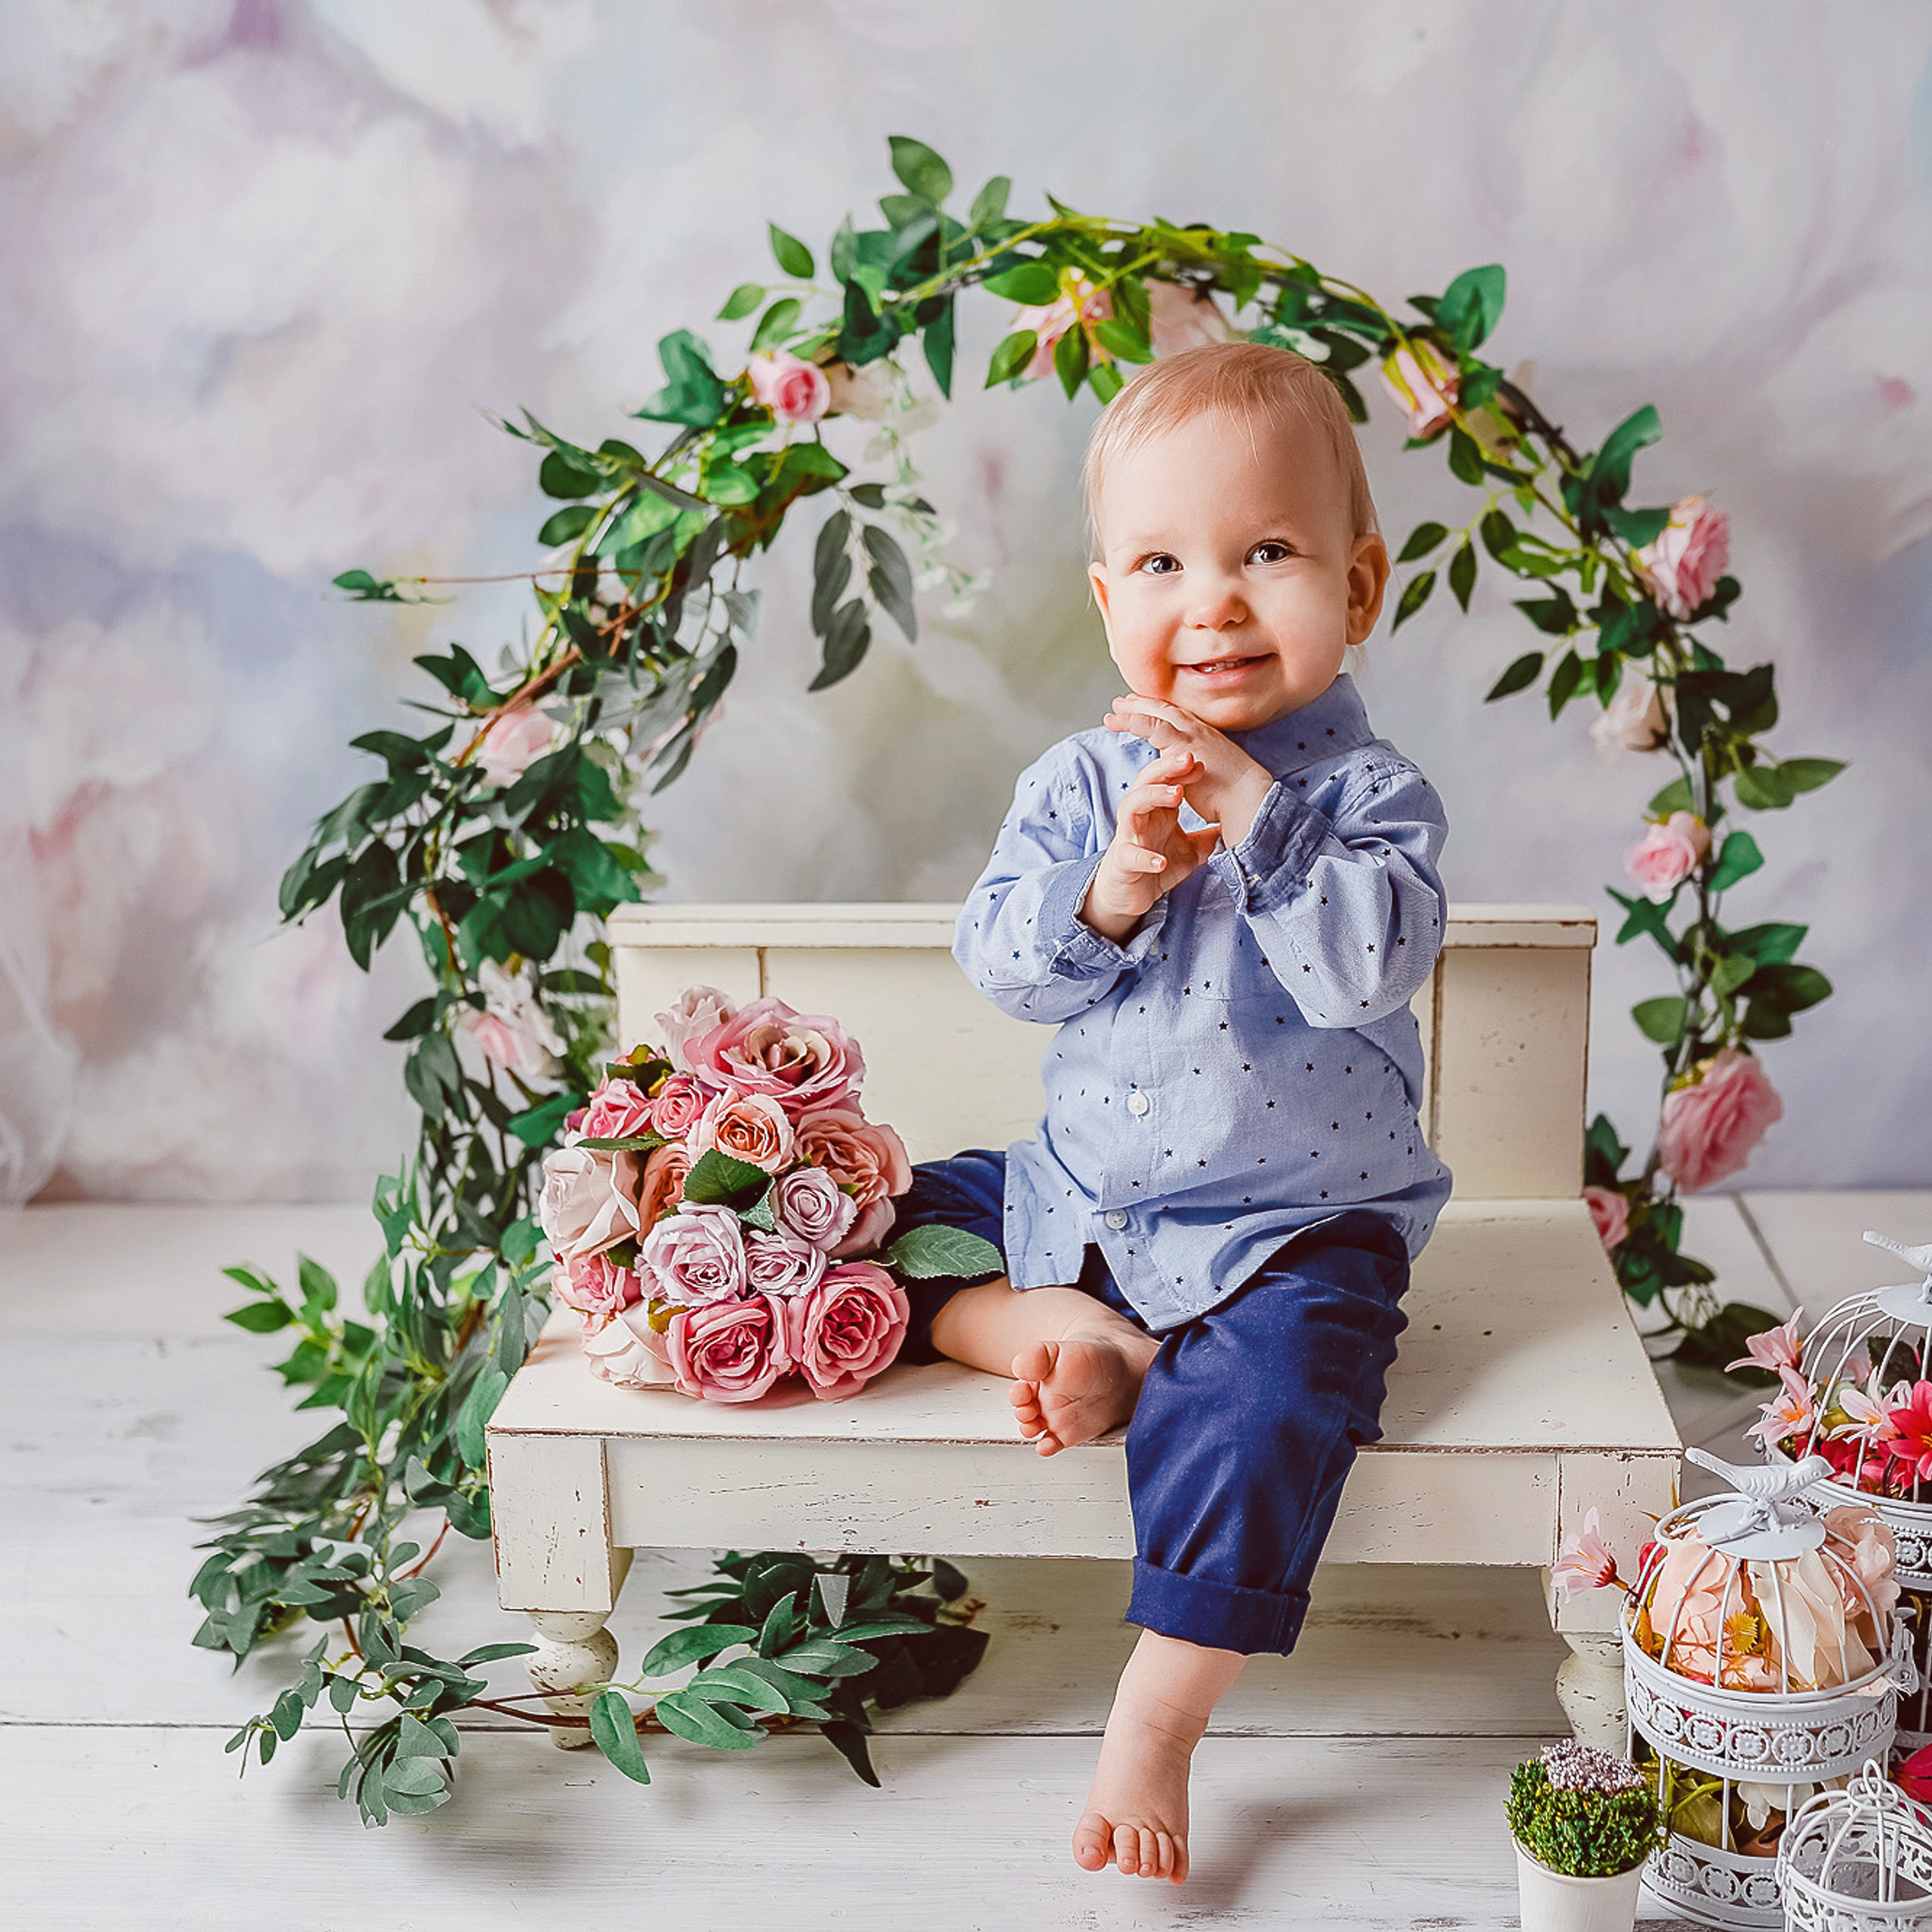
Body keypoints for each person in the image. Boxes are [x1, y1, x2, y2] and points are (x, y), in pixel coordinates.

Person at [884, 340, 1454, 1884]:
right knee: (876, 1222)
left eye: (1263, 554)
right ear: (1103, 600)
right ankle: (1066, 1338)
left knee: (1271, 1404)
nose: (1209, 600)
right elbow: (1001, 960)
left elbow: (1366, 963)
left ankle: (1155, 1712)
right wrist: (1119, 879)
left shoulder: (1370, 798)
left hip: (1291, 1224)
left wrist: (1255, 818)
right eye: (1160, 561)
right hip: (1084, 1196)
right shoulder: (1078, 779)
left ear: (1359, 583)